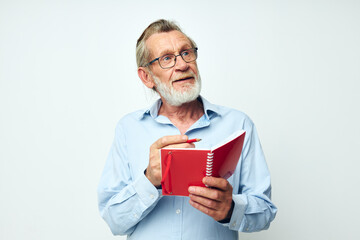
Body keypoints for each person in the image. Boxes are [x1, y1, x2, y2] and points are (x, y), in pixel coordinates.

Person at [97, 19, 277, 239]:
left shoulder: (238, 124)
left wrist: (231, 209)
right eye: (167, 58)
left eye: (186, 53)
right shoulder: (128, 129)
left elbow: (265, 212)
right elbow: (114, 220)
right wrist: (149, 181)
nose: (182, 64)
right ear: (147, 77)